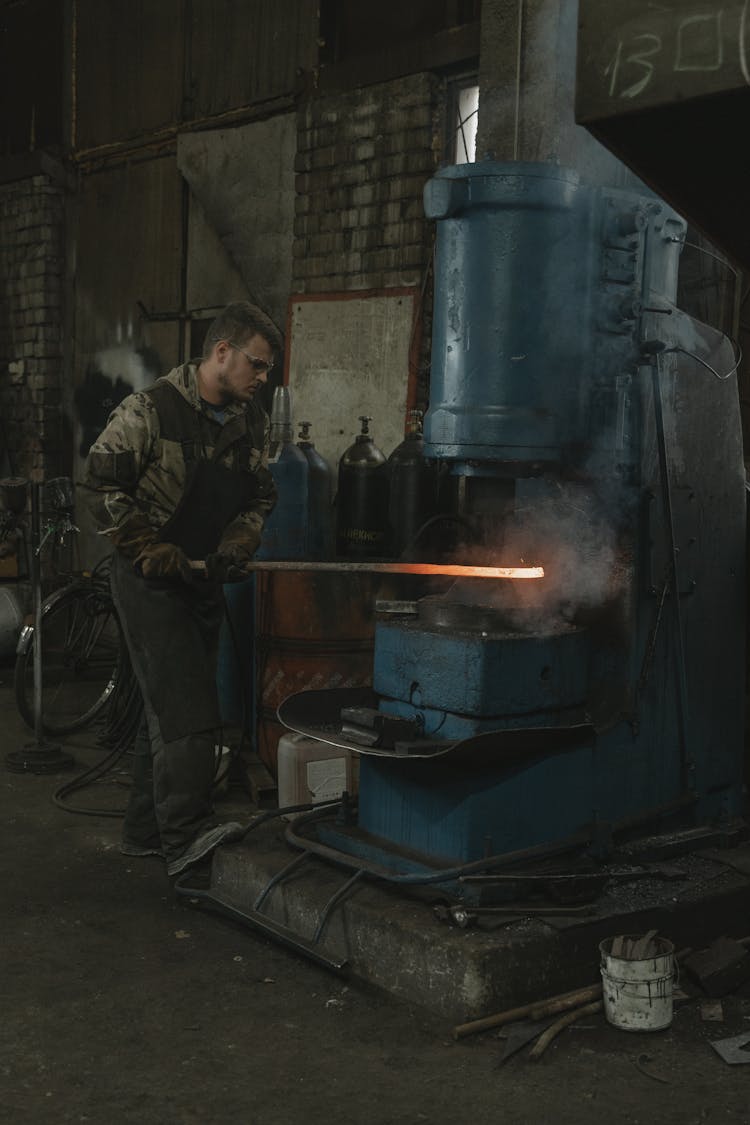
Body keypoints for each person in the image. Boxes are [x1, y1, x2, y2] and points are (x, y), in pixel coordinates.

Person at [81, 301, 281, 876]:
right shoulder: (150, 411)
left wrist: (239, 543)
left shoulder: (250, 422)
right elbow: (100, 486)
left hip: (202, 577)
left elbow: (258, 497)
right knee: (188, 709)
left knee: (166, 709)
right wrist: (147, 547)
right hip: (147, 579)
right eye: (258, 366)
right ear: (222, 352)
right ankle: (186, 837)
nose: (263, 379)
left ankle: (146, 830)